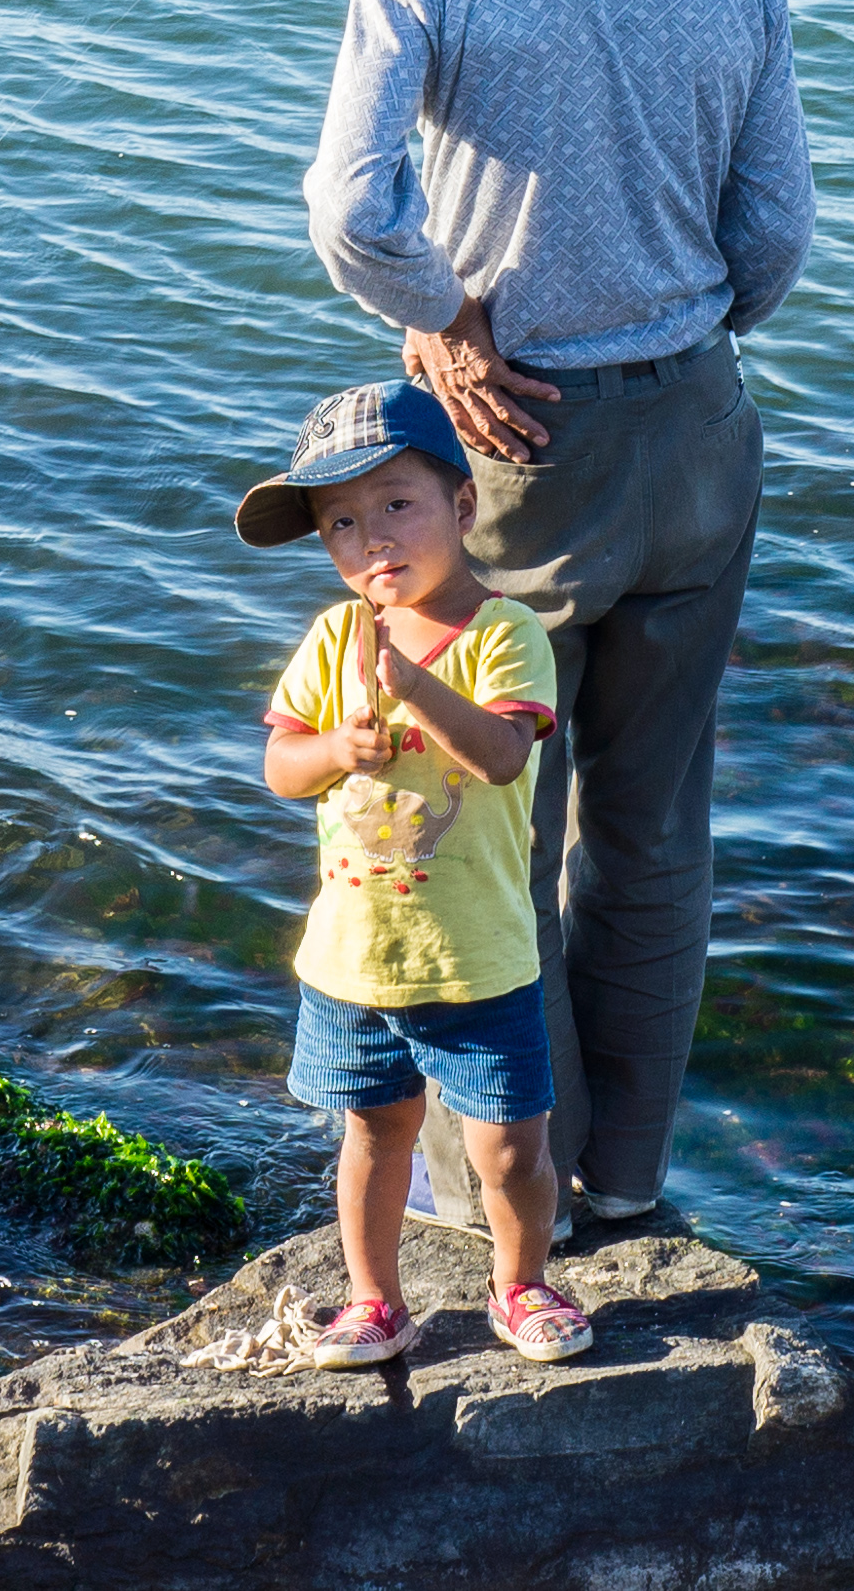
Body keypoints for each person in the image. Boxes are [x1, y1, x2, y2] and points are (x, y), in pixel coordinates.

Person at [304, 0, 811, 1228]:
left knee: (485, 827)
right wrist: (681, 338)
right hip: (698, 434)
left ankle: (491, 1205)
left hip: (518, 448)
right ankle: (630, 1185)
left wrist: (447, 319)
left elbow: (348, 211)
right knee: (654, 836)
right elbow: (774, 234)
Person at [239, 379, 593, 1367]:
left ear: (462, 506)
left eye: (397, 503)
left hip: (476, 957)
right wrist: (333, 752)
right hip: (354, 958)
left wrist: (411, 686)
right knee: (371, 1132)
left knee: (509, 1145)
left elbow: (501, 754)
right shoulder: (328, 639)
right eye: (340, 521)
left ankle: (519, 1281)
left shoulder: (500, 633)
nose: (370, 537)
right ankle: (373, 1299)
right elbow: (278, 767)